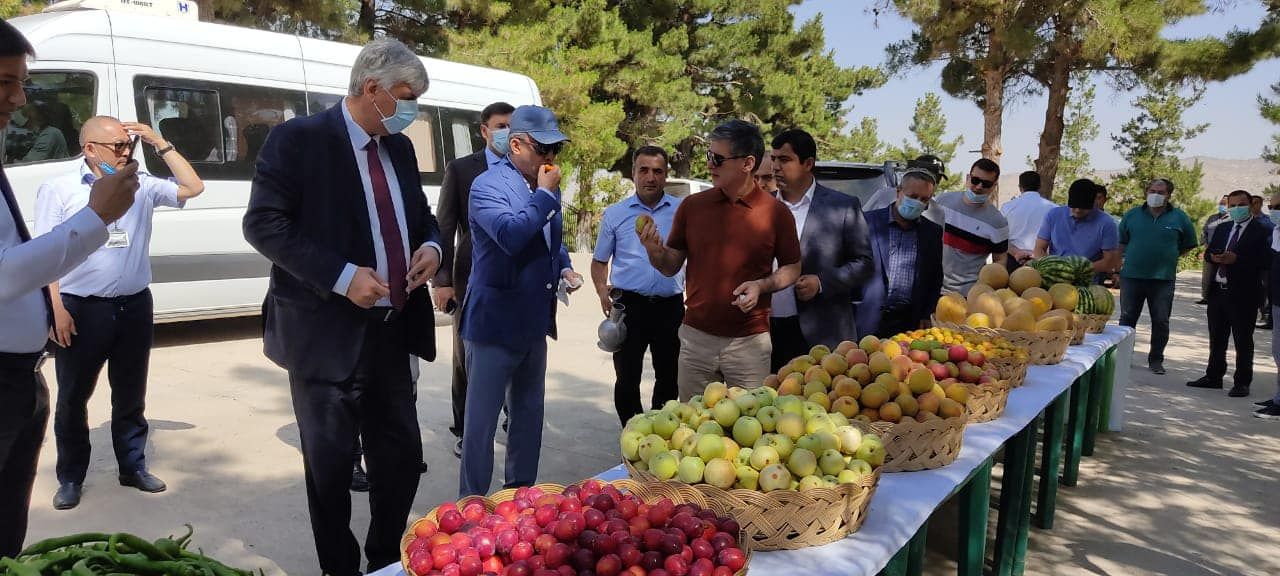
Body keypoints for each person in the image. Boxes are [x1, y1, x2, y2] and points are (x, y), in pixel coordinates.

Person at [242, 39, 442, 576]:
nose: (411, 109)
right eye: (405, 97)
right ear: (371, 90)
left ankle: (383, 559)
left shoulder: (398, 148)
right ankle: (339, 567)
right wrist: (342, 276)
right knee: (329, 472)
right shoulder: (299, 140)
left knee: (399, 461)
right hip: (324, 336)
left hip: (391, 332)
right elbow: (263, 224)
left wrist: (432, 248)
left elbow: (421, 217)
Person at [0, 19, 139, 557]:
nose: (17, 98)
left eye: (20, 82)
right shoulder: (68, 187)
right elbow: (6, 274)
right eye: (4, 83)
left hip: (18, 377)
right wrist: (94, 218)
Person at [35, 116, 204, 511]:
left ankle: (132, 466)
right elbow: (46, 253)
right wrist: (56, 308)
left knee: (130, 394)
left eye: (128, 146)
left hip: (133, 306)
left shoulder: (140, 183)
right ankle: (71, 476)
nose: (125, 153)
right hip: (80, 308)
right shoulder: (59, 188)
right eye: (117, 147)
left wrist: (160, 143)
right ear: (89, 149)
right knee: (73, 398)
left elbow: (193, 187)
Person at [459, 105, 583, 498]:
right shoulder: (487, 186)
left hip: (533, 324)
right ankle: (471, 510)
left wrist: (563, 266)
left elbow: (550, 239)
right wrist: (545, 197)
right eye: (543, 149)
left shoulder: (546, 185)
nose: (551, 159)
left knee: (528, 421)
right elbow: (511, 236)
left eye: (556, 151)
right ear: (516, 144)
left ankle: (520, 499)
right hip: (494, 325)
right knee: (480, 427)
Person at [640, 120, 800, 399]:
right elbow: (670, 266)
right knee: (691, 432)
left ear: (748, 163)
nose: (710, 164)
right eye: (708, 156)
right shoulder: (693, 207)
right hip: (695, 340)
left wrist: (761, 286)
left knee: (751, 433)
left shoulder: (777, 213)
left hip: (750, 343)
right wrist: (654, 251)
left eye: (717, 158)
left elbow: (792, 268)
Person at [433, 101, 514, 459]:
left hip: (515, 279)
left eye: (512, 126)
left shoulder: (525, 166)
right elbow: (445, 226)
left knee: (516, 350)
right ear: (484, 130)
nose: (506, 132)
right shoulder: (462, 170)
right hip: (470, 278)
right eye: (500, 125)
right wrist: (443, 280)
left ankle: (513, 416)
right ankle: (466, 429)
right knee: (467, 358)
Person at [591, 146, 683, 425]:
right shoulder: (616, 214)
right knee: (627, 377)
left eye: (658, 171)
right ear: (633, 173)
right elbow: (599, 261)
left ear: (666, 175)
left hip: (670, 307)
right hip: (629, 306)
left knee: (669, 376)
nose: (650, 177)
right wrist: (601, 290)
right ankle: (632, 433)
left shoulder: (682, 212)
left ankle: (659, 434)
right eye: (644, 170)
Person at [767, 128, 872, 370]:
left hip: (822, 332)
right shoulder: (762, 206)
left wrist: (821, 282)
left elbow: (864, 264)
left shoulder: (842, 207)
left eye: (784, 159)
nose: (775, 167)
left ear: (808, 163)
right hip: (767, 332)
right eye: (773, 159)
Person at [1188, 190, 1271, 397]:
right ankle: (1213, 376)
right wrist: (1213, 258)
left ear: (1251, 204)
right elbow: (1208, 252)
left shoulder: (1263, 229)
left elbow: (1266, 261)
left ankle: (1242, 382)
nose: (1235, 209)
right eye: (1232, 205)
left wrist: (1238, 259)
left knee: (1243, 340)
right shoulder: (1224, 227)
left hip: (1244, 294)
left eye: (1240, 204)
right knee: (1217, 337)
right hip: (1219, 292)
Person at [1117, 178, 1199, 376]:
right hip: (1132, 276)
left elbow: (1188, 244)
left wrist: (1168, 256)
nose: (1155, 195)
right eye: (1152, 190)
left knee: (1161, 320)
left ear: (1169, 195)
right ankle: (1123, 357)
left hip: (1163, 279)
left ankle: (1156, 360)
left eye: (1161, 192)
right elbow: (1121, 242)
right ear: (1146, 192)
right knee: (1127, 318)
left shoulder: (1179, 217)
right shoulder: (1132, 215)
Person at [856, 169, 944, 338]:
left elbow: (935, 277)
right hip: (867, 320)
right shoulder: (867, 222)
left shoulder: (932, 232)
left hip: (909, 324)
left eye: (924, 199)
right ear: (899, 192)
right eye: (913, 196)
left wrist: (926, 313)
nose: (918, 202)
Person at [935, 158, 1009, 295]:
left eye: (986, 183)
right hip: (932, 287)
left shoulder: (998, 223)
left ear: (994, 186)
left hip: (968, 295)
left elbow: (1000, 260)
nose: (979, 186)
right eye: (975, 180)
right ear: (968, 177)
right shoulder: (942, 202)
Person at [1033, 178, 1120, 280]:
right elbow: (1039, 248)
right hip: (1054, 279)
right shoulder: (1053, 215)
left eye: (1083, 207)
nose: (1078, 210)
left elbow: (1109, 262)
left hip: (1087, 282)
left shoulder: (1107, 224)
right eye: (1074, 206)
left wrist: (1077, 272)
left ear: (1093, 203)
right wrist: (1051, 268)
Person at [1000, 170, 1056, 270]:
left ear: (1020, 187)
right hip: (1043, 262)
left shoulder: (1007, 207)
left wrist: (1016, 253)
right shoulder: (1053, 208)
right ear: (1040, 186)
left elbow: (1000, 237)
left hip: (1012, 259)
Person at [1257, 190, 1280, 419]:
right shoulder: (1276, 232)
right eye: (1272, 207)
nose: (1274, 211)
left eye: (1279, 207)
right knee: (1278, 351)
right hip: (1277, 299)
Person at [1199, 195, 1230, 305]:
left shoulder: (1232, 219)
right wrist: (1205, 245)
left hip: (1226, 253)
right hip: (1210, 251)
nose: (1222, 206)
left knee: (1224, 276)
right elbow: (1204, 232)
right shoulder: (1212, 218)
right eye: (1221, 203)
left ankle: (1222, 298)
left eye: (1224, 204)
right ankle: (1205, 297)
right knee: (1207, 276)